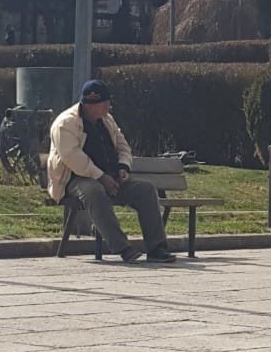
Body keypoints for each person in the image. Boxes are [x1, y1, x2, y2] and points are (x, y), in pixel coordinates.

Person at [47, 80, 175, 263]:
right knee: (94, 191)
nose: (108, 106)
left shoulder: (107, 120)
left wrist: (123, 167)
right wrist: (100, 177)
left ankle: (157, 248)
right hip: (75, 179)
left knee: (146, 190)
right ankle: (122, 248)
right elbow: (72, 157)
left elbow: (123, 146)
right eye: (103, 103)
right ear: (89, 105)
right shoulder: (65, 124)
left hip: (110, 177)